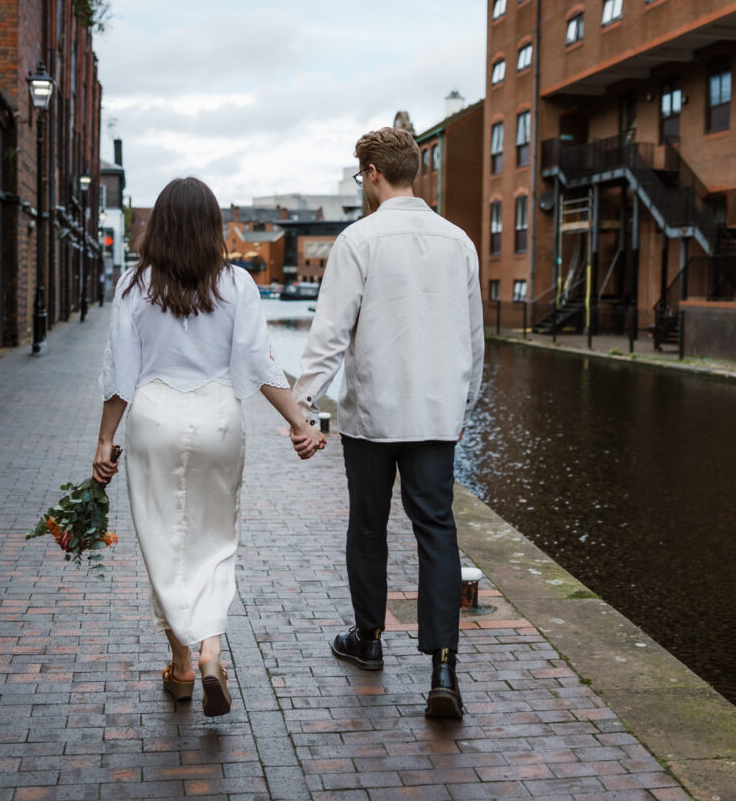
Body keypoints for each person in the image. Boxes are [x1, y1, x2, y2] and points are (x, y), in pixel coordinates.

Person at [93, 177, 325, 717]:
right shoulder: (237, 284)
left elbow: (120, 374)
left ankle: (179, 666)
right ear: (212, 226)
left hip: (154, 418)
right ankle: (210, 653)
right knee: (216, 538)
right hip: (219, 416)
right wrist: (301, 422)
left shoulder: (133, 285)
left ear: (160, 226)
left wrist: (105, 438)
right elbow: (261, 364)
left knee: (163, 543)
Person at [293, 126, 483, 719]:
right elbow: (472, 341)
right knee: (437, 532)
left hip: (374, 415)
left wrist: (302, 406)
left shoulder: (359, 240)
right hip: (434, 415)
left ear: (373, 172)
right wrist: (463, 405)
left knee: (368, 526)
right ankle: (443, 668)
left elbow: (329, 335)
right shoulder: (460, 243)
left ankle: (369, 640)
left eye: (360, 176)